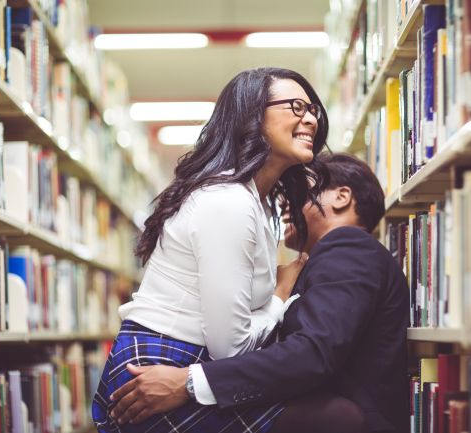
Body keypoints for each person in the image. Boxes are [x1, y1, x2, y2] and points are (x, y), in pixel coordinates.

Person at [92, 67, 330, 433]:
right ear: (252, 116)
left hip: (184, 358)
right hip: (161, 363)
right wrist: (281, 296)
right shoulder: (227, 202)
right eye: (297, 106)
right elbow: (231, 348)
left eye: (313, 108)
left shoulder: (258, 204)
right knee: (335, 417)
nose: (311, 118)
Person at [109, 153, 411, 433]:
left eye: (298, 192)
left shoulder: (348, 248)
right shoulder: (327, 259)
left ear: (341, 197)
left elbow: (312, 353)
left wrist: (189, 381)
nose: (283, 205)